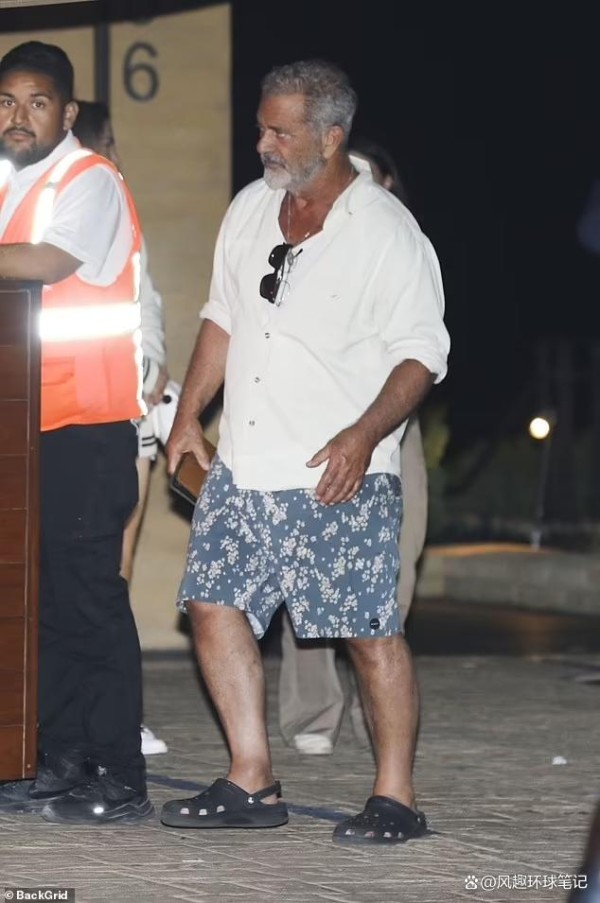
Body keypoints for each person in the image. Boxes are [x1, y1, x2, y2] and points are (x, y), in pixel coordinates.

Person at [160, 59, 449, 846]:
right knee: (212, 602)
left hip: (335, 469)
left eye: (281, 132)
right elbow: (222, 316)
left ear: (331, 136)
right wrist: (188, 417)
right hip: (245, 461)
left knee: (368, 630)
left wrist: (364, 434)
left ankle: (396, 796)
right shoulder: (251, 208)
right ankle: (251, 776)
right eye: (262, 127)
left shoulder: (386, 231)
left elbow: (422, 353)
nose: (264, 143)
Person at [0, 41, 152, 823]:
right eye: (6, 102)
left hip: (87, 427)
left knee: (89, 600)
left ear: (67, 113)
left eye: (37, 102)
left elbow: (47, 262)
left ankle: (120, 772)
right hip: (26, 429)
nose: (19, 116)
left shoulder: (89, 179)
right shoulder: (11, 183)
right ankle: (58, 758)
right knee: (44, 601)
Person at [278, 136, 429, 755]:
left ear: (388, 187)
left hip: (393, 424)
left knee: (398, 560)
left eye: (371, 176)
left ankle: (380, 702)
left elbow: (422, 346)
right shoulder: (296, 242)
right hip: (311, 425)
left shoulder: (403, 245)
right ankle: (313, 711)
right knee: (306, 564)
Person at [72, 99, 169, 758]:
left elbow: (145, 300)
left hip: (120, 411)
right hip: (62, 414)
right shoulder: (40, 203)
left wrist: (153, 365)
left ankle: (112, 719)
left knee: (112, 567)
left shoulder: (116, 202)